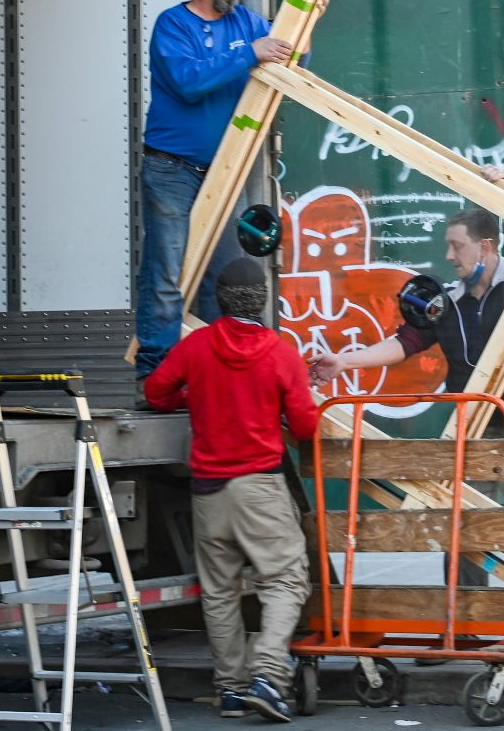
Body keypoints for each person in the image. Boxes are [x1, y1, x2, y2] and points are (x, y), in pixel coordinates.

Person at [310, 168, 504, 533]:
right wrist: (345, 361)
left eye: (456, 245)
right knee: (466, 520)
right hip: (472, 419)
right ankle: (463, 592)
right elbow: (402, 344)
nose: (448, 255)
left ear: (485, 247)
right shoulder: (447, 300)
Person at [144, 257, 320, 723]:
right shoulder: (279, 351)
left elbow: (156, 392)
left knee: (219, 592)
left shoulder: (197, 346)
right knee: (285, 579)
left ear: (220, 300)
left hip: (207, 492)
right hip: (259, 488)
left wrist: (193, 396)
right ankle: (267, 675)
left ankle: (232, 691)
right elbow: (305, 425)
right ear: (262, 300)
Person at [135, 0, 293, 405]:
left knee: (221, 278)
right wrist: (251, 53)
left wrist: (310, 20)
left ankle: (215, 381)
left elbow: (292, 56)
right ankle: (156, 380)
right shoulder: (173, 25)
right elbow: (189, 82)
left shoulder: (246, 21)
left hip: (226, 169)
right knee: (166, 271)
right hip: (171, 169)